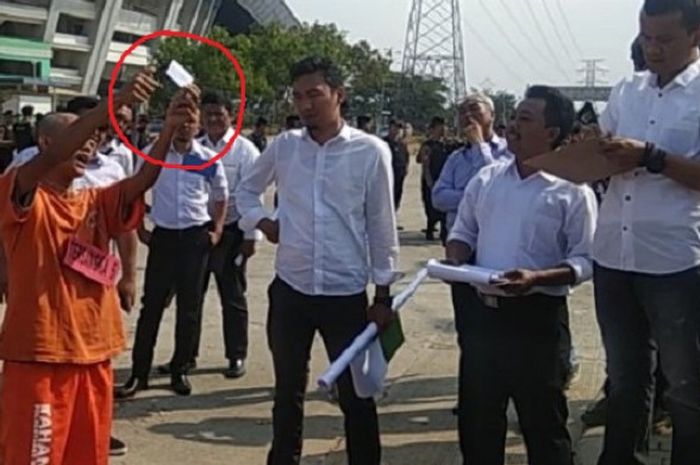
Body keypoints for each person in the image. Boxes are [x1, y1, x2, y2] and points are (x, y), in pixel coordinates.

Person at [0, 70, 194, 465]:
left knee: (86, 456)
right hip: (40, 358)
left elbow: (141, 181)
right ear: (46, 142)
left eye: (94, 139)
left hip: (94, 354)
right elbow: (52, 159)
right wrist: (111, 105)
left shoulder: (94, 200)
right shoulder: (20, 192)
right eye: (80, 137)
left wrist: (168, 131)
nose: (89, 144)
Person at [236, 56, 400, 465]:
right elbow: (246, 190)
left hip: (345, 295)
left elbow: (382, 225)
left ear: (338, 95)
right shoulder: (284, 147)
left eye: (314, 94)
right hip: (291, 290)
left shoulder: (370, 152)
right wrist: (263, 223)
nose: (305, 105)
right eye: (298, 96)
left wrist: (383, 295)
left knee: (356, 395)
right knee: (287, 391)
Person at [446, 85, 598, 465]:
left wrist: (537, 277)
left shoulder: (573, 191)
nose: (512, 126)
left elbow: (586, 260)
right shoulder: (487, 179)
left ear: (552, 133)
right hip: (483, 319)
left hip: (537, 323)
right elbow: (463, 231)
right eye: (514, 117)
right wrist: (455, 259)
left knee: (544, 428)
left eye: (525, 119)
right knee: (478, 425)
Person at [592, 1, 700, 464]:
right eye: (646, 38)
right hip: (614, 254)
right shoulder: (626, 90)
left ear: (695, 36)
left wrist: (651, 156)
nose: (652, 49)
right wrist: (587, 159)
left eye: (664, 40)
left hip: (674, 260)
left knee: (685, 382)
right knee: (624, 377)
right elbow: (602, 153)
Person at [116, 88, 229, 399]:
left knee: (189, 309)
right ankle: (139, 373)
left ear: (198, 126)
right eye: (179, 120)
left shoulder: (206, 159)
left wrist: (217, 229)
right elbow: (135, 191)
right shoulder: (155, 153)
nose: (184, 126)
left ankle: (180, 369)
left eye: (190, 122)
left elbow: (221, 196)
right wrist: (139, 228)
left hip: (195, 238)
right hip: (163, 238)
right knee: (151, 307)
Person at [192, 91, 261, 378]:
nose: (213, 120)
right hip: (198, 230)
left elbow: (253, 195)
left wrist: (250, 236)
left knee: (232, 295)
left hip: (233, 231)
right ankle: (185, 356)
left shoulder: (245, 150)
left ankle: (236, 355)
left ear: (230, 115)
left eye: (218, 114)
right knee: (191, 295)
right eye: (207, 114)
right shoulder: (191, 148)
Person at [432, 93, 510, 236]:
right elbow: (438, 197)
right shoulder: (456, 158)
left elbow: (496, 187)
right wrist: (473, 198)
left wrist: (479, 145)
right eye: (462, 112)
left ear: (492, 115)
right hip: (458, 239)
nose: (468, 115)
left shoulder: (509, 151)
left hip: (494, 237)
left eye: (474, 108)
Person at [417, 116, 450, 241]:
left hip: (445, 180)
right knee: (430, 206)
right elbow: (422, 162)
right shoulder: (428, 145)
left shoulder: (447, 145)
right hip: (431, 180)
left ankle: (443, 231)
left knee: (444, 207)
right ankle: (430, 229)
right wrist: (429, 181)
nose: (444, 130)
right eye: (441, 127)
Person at [384, 119, 409, 214]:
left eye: (400, 128)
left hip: (400, 174)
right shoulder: (384, 142)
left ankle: (394, 215)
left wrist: (406, 167)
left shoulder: (402, 144)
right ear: (390, 128)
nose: (398, 130)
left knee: (397, 195)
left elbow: (406, 156)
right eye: (395, 127)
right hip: (388, 174)